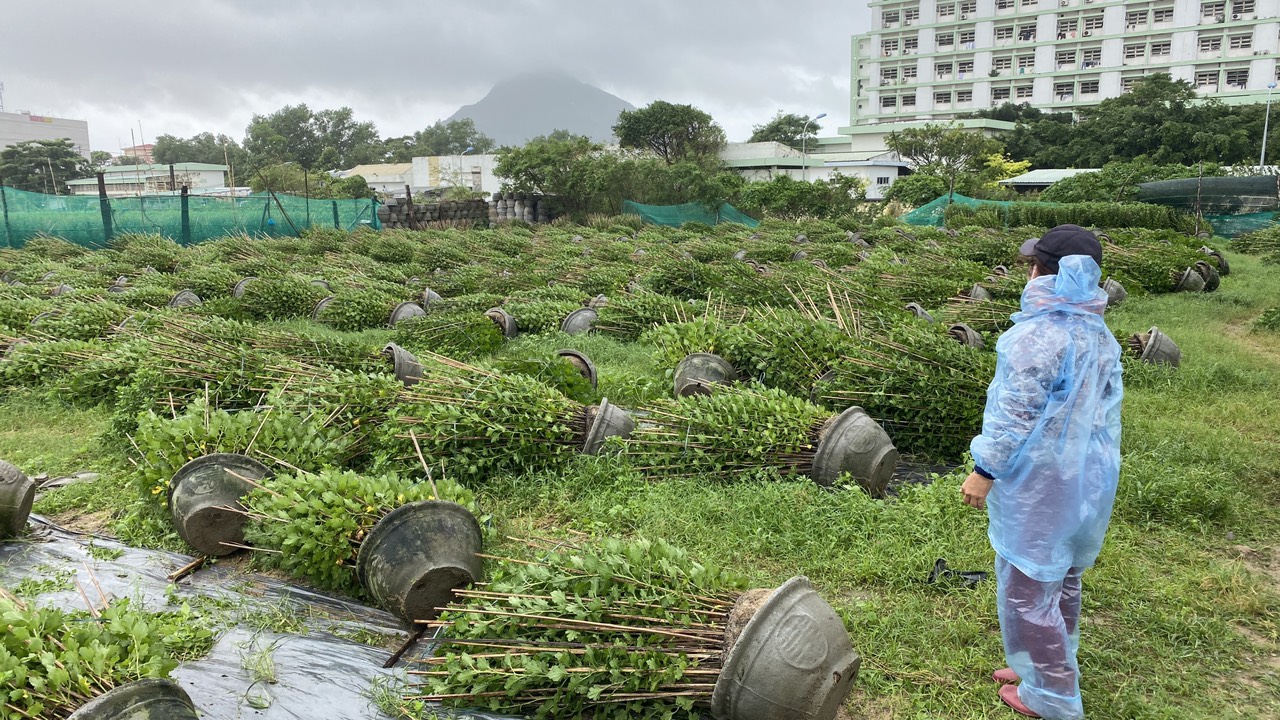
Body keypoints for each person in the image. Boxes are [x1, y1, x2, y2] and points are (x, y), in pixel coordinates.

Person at [960, 225, 1124, 719]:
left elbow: (1015, 414)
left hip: (1040, 480)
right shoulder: (1097, 331)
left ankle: (1050, 693)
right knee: (1063, 574)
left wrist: (985, 469)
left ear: (1041, 272)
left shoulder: (1038, 334)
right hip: (1086, 475)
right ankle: (1042, 661)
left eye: (1031, 264)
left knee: (1029, 585)